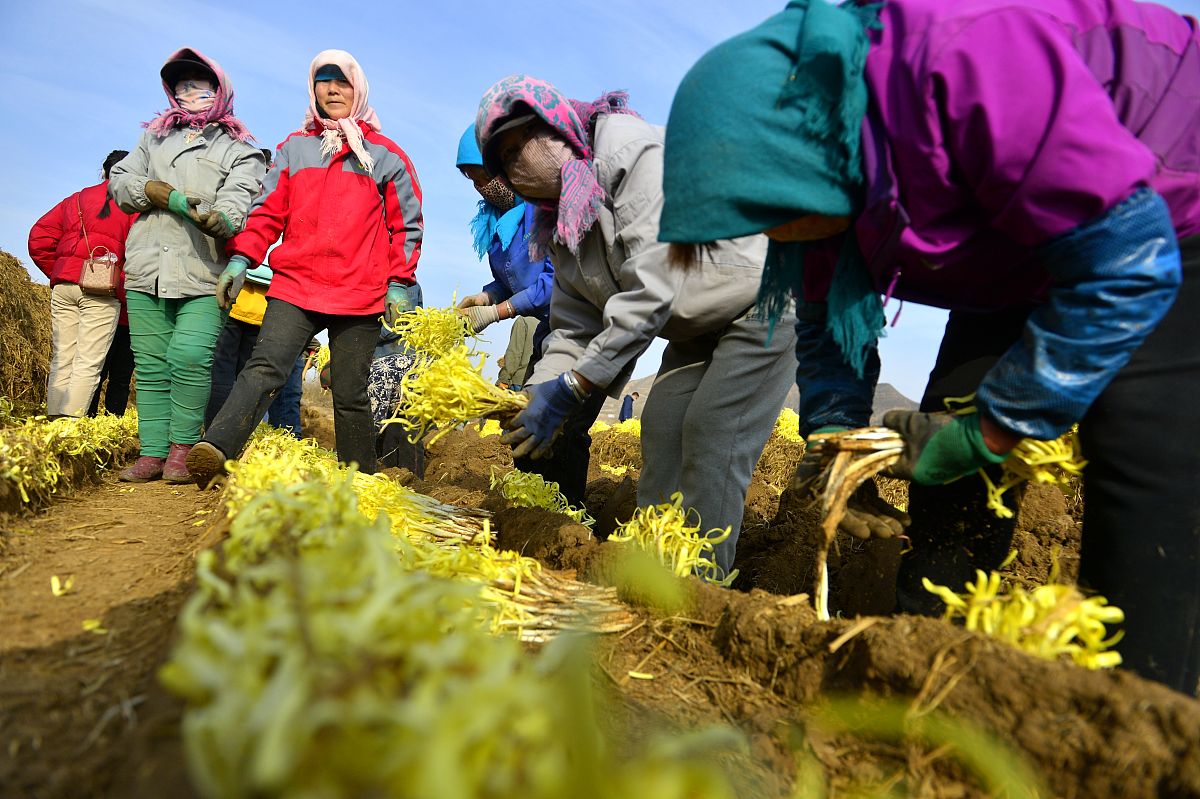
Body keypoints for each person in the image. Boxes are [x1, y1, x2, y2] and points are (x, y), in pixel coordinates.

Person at [657, 0, 1200, 694]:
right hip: (1022, 250)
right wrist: (838, 450)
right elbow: (826, 329)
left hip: (1164, 202)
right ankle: (926, 676)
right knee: (950, 451)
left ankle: (1147, 706)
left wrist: (995, 429)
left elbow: (1129, 257)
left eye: (770, 212)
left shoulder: (962, 57)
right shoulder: (833, 171)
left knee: (1140, 444)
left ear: (796, 153)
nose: (775, 238)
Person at [477, 75, 796, 578]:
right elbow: (574, 326)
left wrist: (575, 386)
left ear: (556, 125)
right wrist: (537, 393)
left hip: (763, 298)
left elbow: (653, 285)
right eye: (507, 162)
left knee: (713, 432)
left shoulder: (627, 153)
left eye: (522, 145)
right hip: (696, 324)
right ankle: (650, 572)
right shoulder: (560, 224)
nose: (521, 167)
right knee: (663, 428)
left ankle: (697, 584)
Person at [187, 50, 423, 487]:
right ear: (313, 89)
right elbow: (266, 212)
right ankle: (216, 447)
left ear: (358, 89)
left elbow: (406, 225)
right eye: (323, 81)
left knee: (350, 392)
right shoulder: (294, 149)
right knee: (265, 367)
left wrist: (398, 282)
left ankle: (359, 481)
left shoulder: (386, 155)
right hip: (297, 286)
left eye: (342, 82)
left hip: (359, 293)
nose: (332, 90)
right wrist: (242, 258)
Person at [109, 48, 266, 482]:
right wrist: (154, 192)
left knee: (191, 356)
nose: (190, 91)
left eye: (200, 84)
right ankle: (152, 452)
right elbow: (120, 181)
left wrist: (222, 219)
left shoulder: (240, 150)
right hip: (147, 267)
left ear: (220, 90)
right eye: (182, 84)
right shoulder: (153, 139)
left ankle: (181, 448)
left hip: (203, 271)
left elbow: (240, 199)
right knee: (152, 364)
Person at [28, 150, 136, 418]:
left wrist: (63, 270)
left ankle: (55, 418)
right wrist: (117, 284)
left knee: (62, 356)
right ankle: (70, 423)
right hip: (101, 291)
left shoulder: (74, 199)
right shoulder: (132, 207)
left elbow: (39, 238)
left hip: (65, 286)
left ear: (104, 171)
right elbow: (140, 257)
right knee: (88, 361)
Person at [497, 316, 538, 391]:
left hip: (520, 382)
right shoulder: (552, 323)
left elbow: (514, 353)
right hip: (543, 384)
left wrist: (504, 379)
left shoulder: (523, 320)